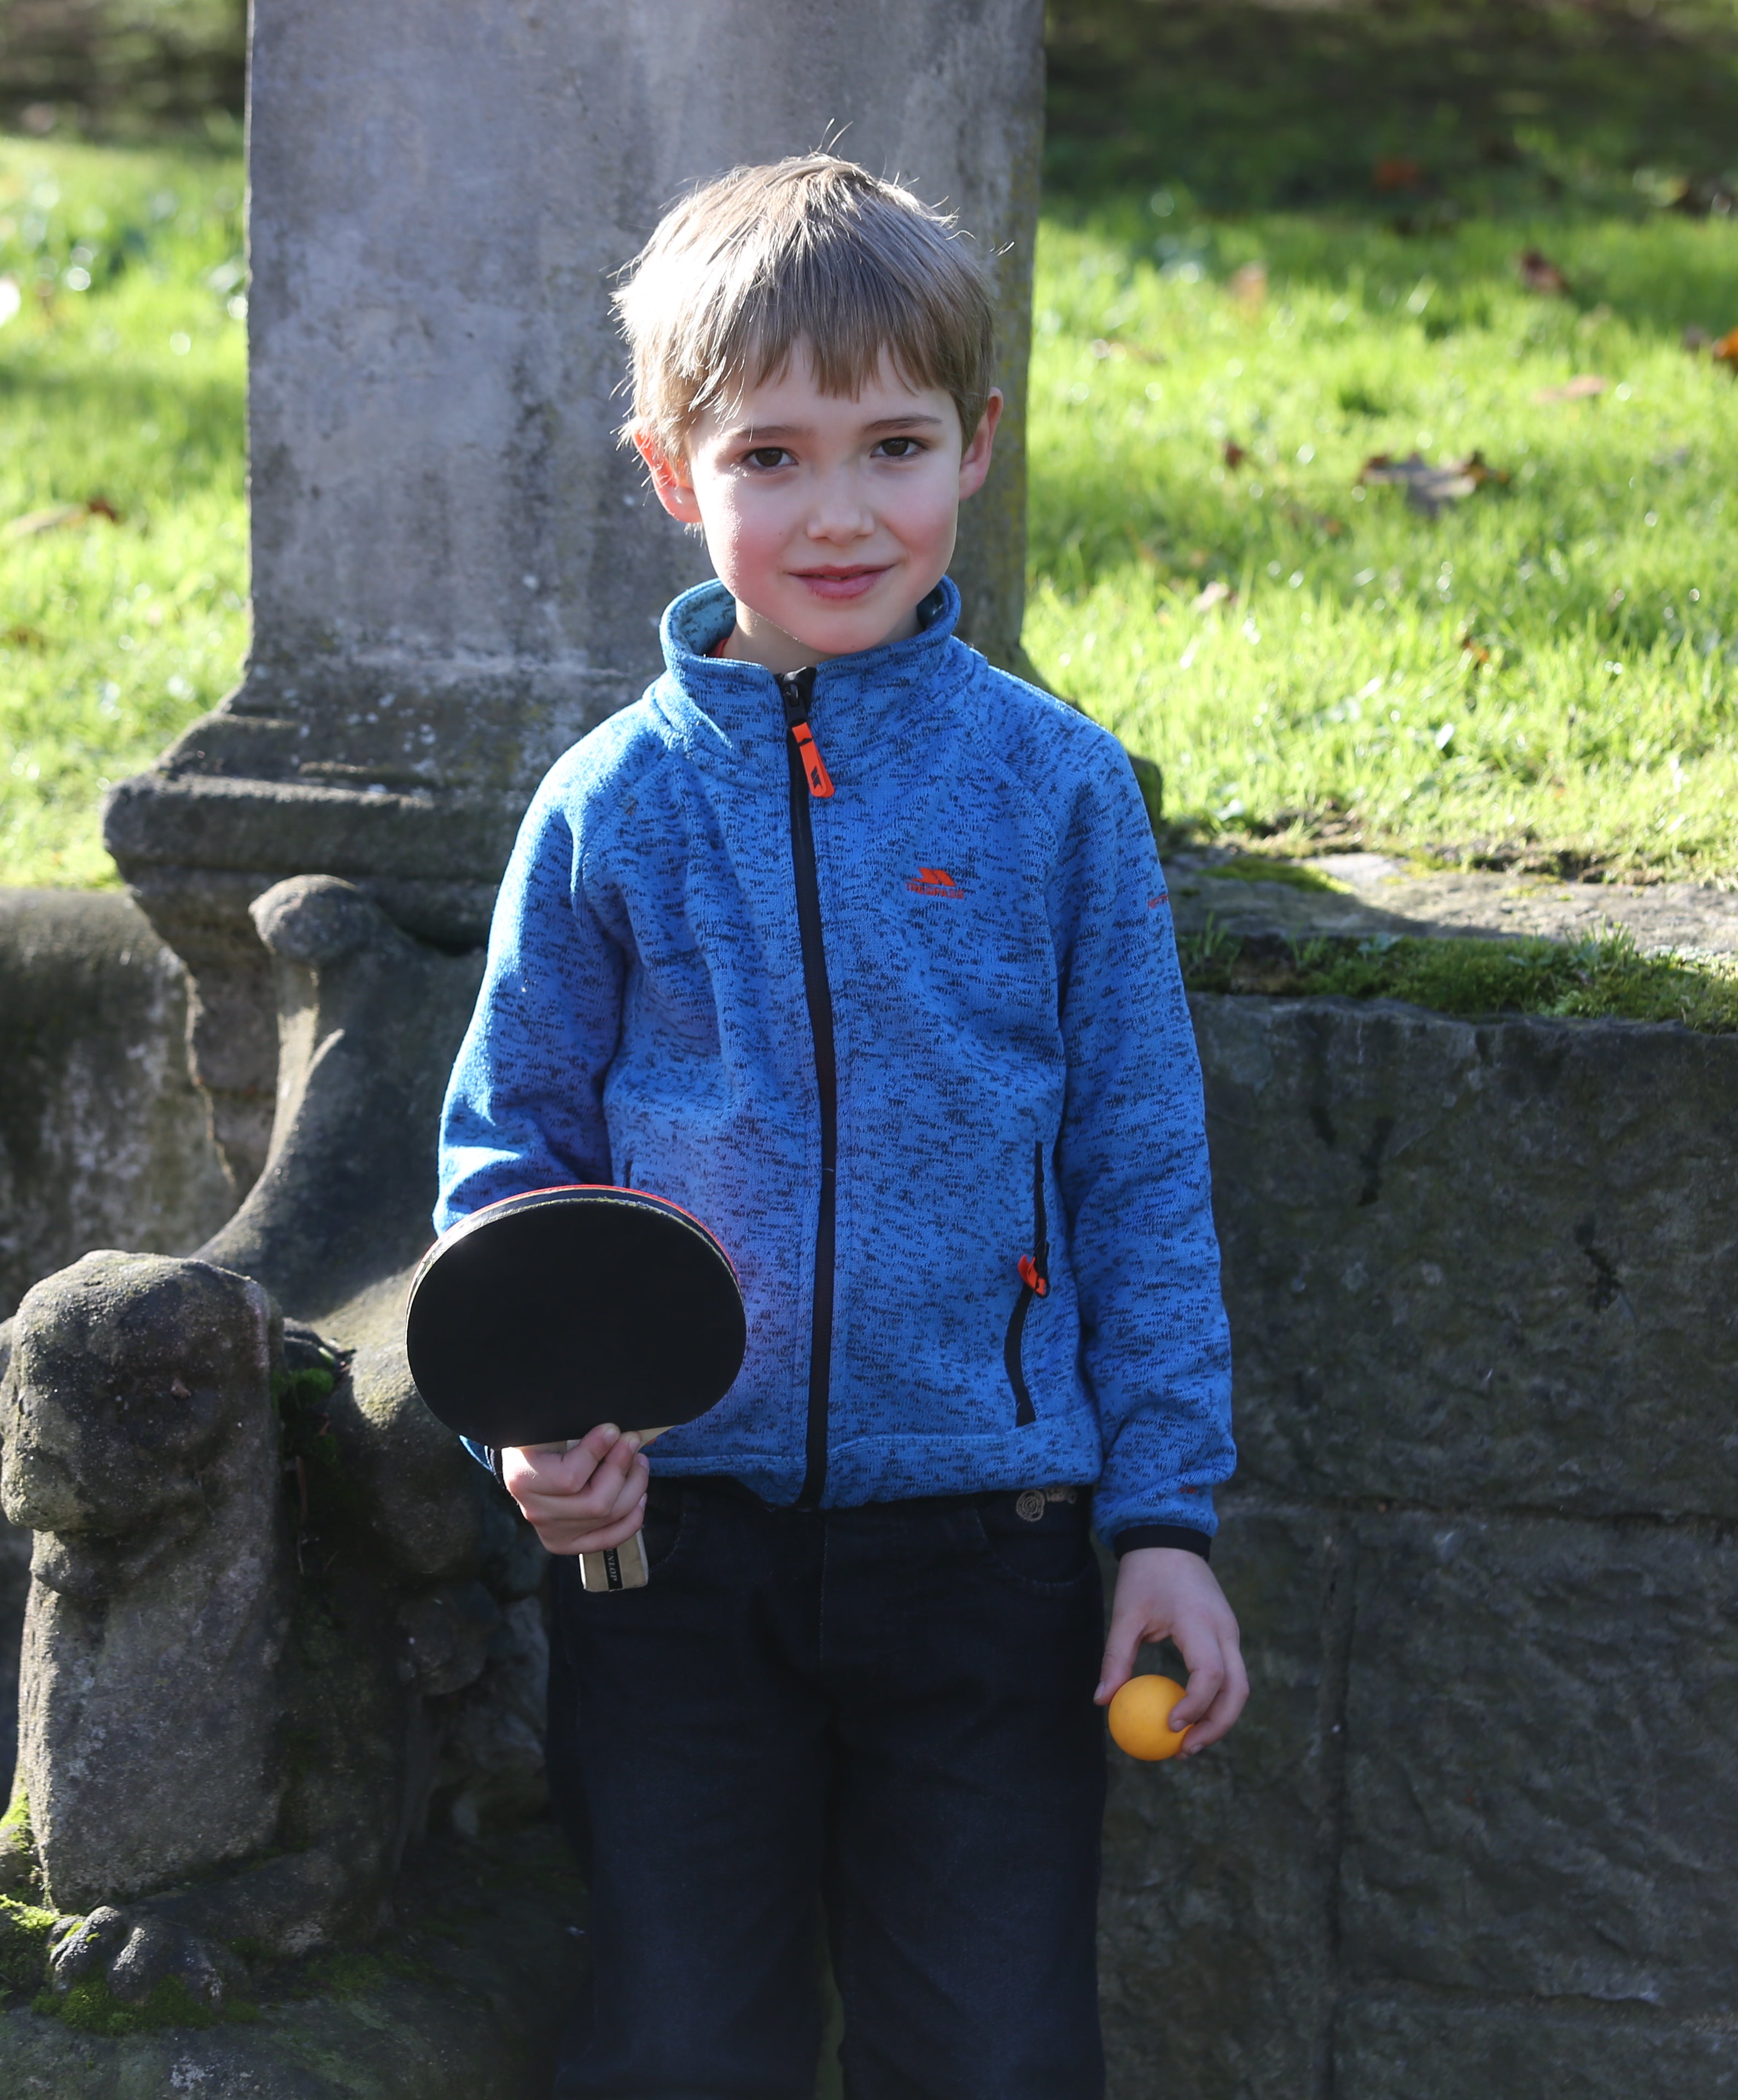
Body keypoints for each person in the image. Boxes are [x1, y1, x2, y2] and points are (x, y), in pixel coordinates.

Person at [434, 153, 1242, 2099]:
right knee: (680, 2048)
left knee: (992, 2054)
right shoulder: (606, 808)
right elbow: (507, 1157)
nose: (840, 508)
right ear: (669, 470)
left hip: (996, 1551)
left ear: (976, 446)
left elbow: (1139, 1169)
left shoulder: (1057, 793)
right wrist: (530, 1430)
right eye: (773, 457)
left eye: (891, 444)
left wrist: (1164, 1521)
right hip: (670, 1564)